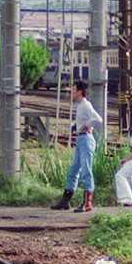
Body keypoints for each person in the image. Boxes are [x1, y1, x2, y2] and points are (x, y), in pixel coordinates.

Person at [51, 81, 103, 212]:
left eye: (74, 89)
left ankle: (87, 203)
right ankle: (65, 201)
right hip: (80, 138)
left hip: (86, 139)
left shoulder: (85, 105)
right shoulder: (80, 105)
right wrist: (77, 126)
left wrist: (86, 124)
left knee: (86, 171)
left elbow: (98, 119)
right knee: (73, 170)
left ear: (80, 91)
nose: (72, 92)